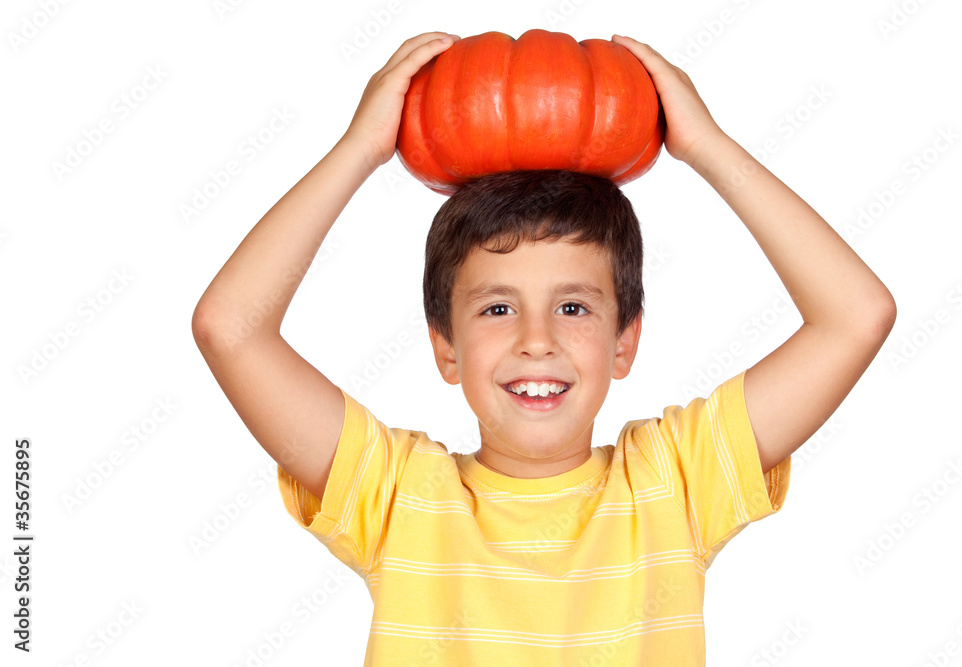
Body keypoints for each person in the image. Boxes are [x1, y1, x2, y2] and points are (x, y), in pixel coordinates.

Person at [191, 31, 896, 665]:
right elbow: (230, 327)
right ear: (446, 347)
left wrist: (708, 147)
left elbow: (856, 316)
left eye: (573, 307)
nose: (537, 340)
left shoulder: (676, 483)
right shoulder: (396, 495)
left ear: (625, 342)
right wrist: (357, 151)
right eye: (498, 307)